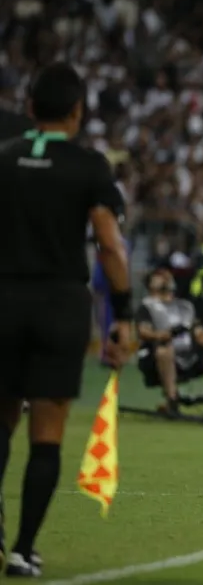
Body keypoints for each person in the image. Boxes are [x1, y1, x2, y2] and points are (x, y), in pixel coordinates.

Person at [0, 63, 132, 577]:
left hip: (3, 298)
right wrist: (122, 315)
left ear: (30, 108)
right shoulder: (89, 166)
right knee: (47, 429)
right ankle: (23, 549)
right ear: (77, 113)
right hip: (59, 305)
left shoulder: (4, 158)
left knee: (2, 418)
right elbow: (110, 246)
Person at [135, 269, 203, 417]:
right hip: (159, 356)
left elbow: (199, 333)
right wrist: (163, 335)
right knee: (165, 350)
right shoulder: (147, 306)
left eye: (166, 277)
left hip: (189, 354)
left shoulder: (185, 306)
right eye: (159, 277)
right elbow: (143, 331)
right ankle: (172, 399)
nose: (165, 279)